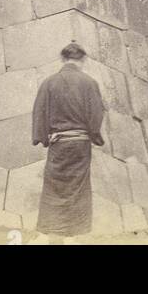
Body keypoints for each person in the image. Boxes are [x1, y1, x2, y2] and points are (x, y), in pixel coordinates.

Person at [31, 41, 105, 238]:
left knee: (54, 188)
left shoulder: (49, 82)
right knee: (79, 188)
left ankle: (53, 236)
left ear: (63, 59)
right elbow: (96, 114)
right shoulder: (89, 83)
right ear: (83, 60)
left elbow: (40, 111)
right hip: (80, 144)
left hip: (59, 144)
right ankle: (77, 236)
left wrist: (43, 139)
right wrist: (94, 135)